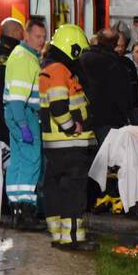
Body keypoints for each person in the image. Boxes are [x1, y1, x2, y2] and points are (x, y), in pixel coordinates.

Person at [38, 24, 98, 251]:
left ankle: (59, 233)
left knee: (54, 189)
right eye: (79, 52)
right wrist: (72, 127)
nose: (79, 58)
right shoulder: (59, 71)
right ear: (72, 49)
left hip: (56, 145)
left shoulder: (50, 68)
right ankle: (72, 238)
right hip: (70, 145)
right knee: (73, 192)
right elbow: (59, 107)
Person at [80, 28, 135, 213]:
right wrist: (128, 117)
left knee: (89, 160)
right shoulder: (114, 64)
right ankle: (110, 197)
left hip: (84, 119)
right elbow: (121, 94)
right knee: (111, 163)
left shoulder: (84, 59)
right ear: (113, 44)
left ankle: (89, 200)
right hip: (109, 120)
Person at [3, 17, 47, 229]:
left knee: (18, 162)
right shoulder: (25, 59)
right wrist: (23, 124)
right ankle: (27, 213)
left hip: (14, 112)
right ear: (26, 35)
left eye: (44, 37)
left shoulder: (20, 54)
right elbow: (19, 98)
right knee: (31, 161)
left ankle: (16, 211)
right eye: (38, 36)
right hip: (23, 113)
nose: (42, 41)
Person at [0, 17, 24, 146]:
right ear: (13, 31)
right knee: (4, 145)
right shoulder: (4, 52)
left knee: (1, 144)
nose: (22, 35)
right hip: (2, 106)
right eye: (20, 31)